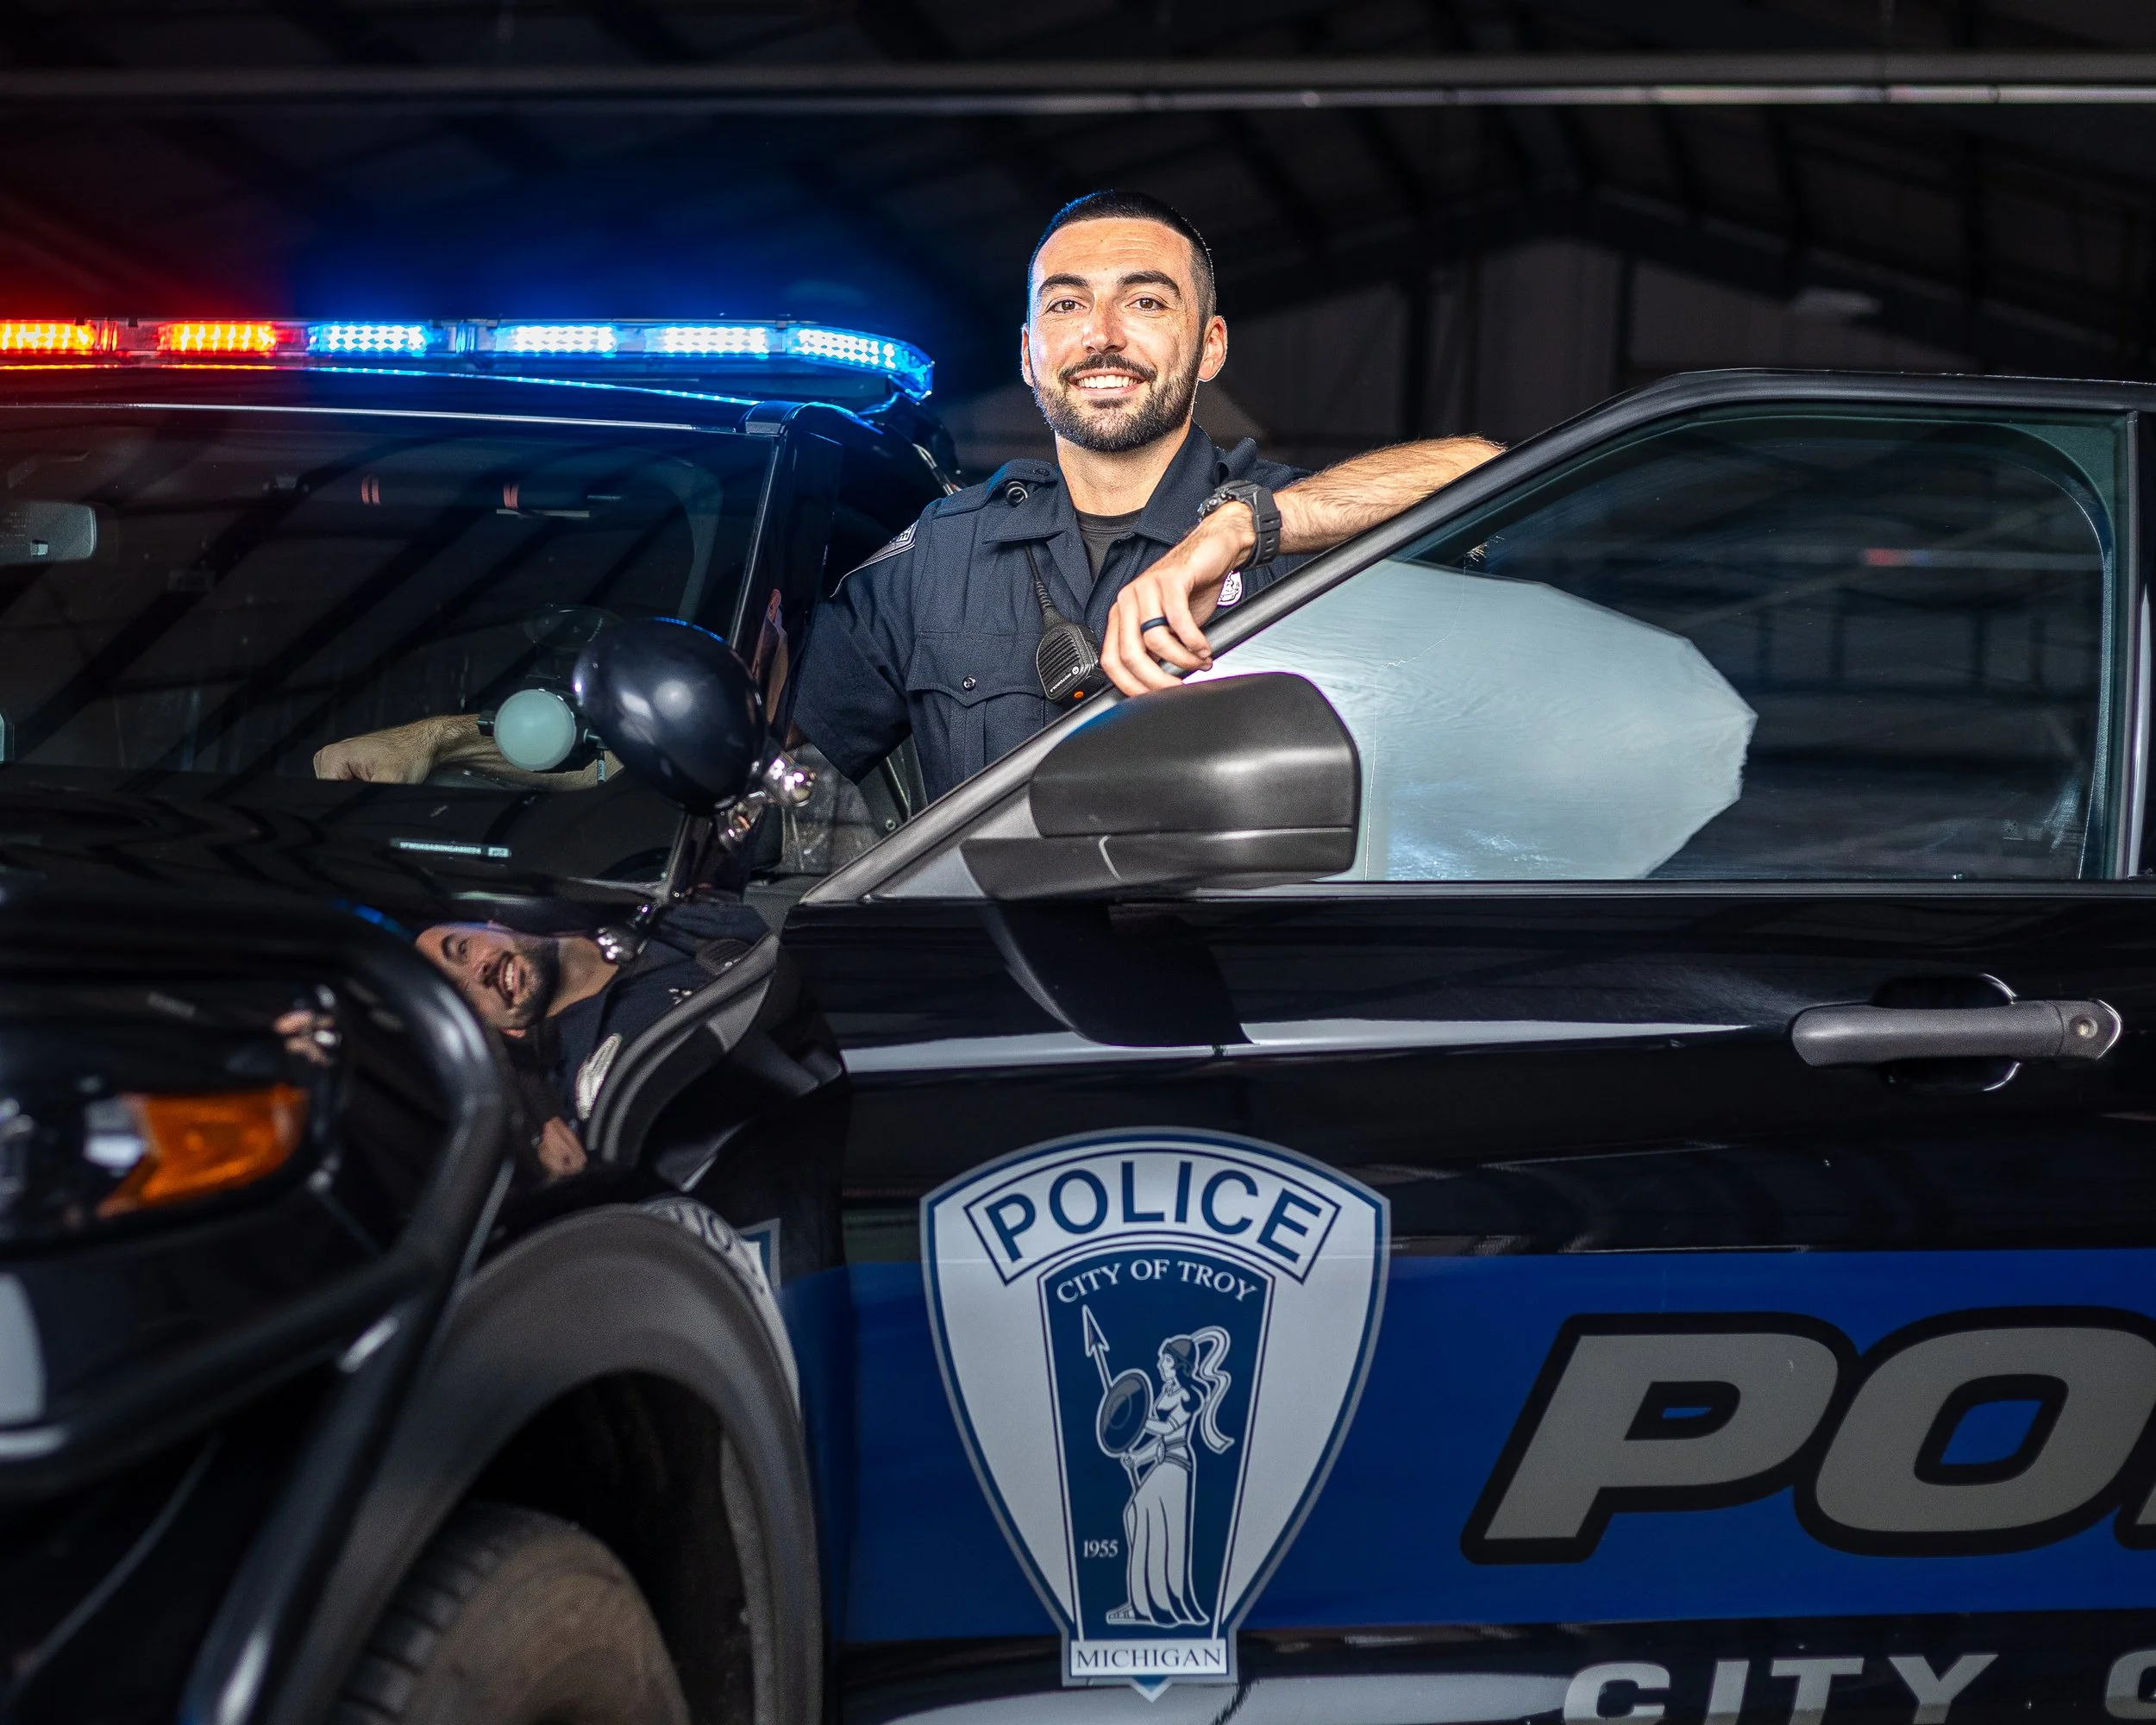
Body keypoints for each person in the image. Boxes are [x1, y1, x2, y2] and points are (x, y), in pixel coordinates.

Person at [791, 189, 1501, 803]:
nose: (1101, 337)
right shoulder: (941, 554)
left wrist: (1241, 531)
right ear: (1027, 353)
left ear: (1210, 346)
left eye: (1146, 301)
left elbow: (1482, 468)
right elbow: (764, 738)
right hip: (990, 959)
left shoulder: (1294, 526)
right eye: (1067, 303)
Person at [414, 900, 765, 1177]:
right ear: (509, 1030)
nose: (479, 974)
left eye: (462, 950)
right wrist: (578, 1179)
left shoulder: (662, 908)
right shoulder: (588, 1105)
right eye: (466, 998)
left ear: (497, 924)